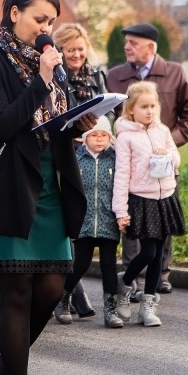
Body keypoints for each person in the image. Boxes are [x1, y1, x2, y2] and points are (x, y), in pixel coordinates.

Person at [0, 0, 95, 375]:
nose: (47, 29)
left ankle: (2, 362)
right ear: (15, 12)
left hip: (48, 182)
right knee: (17, 291)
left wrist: (81, 117)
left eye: (51, 22)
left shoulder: (52, 63)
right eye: (40, 19)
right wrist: (42, 80)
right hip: (5, 184)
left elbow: (50, 118)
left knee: (52, 286)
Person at [106, 22, 188, 295]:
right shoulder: (114, 76)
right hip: (133, 166)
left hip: (165, 166)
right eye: (126, 43)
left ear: (150, 47)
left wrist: (168, 142)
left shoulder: (175, 73)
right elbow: (110, 116)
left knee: (164, 225)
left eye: (133, 43)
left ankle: (161, 275)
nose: (126, 47)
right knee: (135, 226)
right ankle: (131, 278)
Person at [112, 81, 184, 327]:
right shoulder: (125, 138)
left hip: (165, 197)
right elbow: (121, 176)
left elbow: (176, 157)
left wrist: (168, 156)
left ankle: (148, 304)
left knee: (159, 255)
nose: (150, 111)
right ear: (131, 108)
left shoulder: (162, 130)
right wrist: (121, 211)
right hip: (142, 200)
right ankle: (124, 284)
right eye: (144, 106)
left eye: (153, 106)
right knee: (149, 252)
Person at [53, 116, 123, 328]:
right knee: (80, 264)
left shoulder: (114, 159)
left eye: (104, 135)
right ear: (85, 138)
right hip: (84, 221)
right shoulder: (77, 159)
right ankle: (63, 298)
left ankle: (110, 309)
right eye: (94, 135)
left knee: (109, 266)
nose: (99, 139)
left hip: (107, 221)